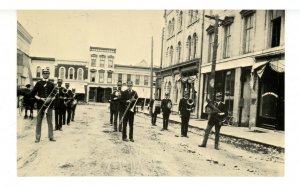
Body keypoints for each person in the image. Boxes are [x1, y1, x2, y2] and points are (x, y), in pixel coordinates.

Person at [30, 67, 56, 143]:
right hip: (40, 105)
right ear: (42, 74)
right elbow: (33, 94)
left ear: (49, 74)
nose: (45, 75)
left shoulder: (51, 84)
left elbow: (55, 95)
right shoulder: (38, 83)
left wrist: (50, 99)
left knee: (50, 122)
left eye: (47, 73)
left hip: (49, 106)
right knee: (38, 122)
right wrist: (40, 98)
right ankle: (37, 137)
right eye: (44, 73)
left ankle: (51, 137)